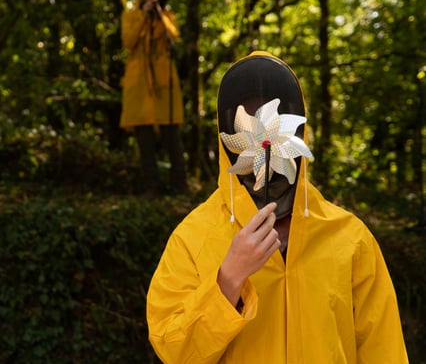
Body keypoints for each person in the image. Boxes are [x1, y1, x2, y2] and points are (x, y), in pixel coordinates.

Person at [146, 51, 407, 363]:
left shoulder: (351, 238)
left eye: (274, 117)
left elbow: (384, 350)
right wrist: (228, 279)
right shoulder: (192, 237)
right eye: (248, 117)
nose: (260, 132)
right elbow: (174, 351)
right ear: (228, 129)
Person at [120, 0, 187, 195]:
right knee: (144, 138)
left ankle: (179, 184)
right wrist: (144, 15)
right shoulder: (131, 15)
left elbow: (173, 36)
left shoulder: (168, 17)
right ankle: (150, 186)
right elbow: (128, 42)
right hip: (139, 85)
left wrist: (158, 14)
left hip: (164, 85)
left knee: (172, 136)